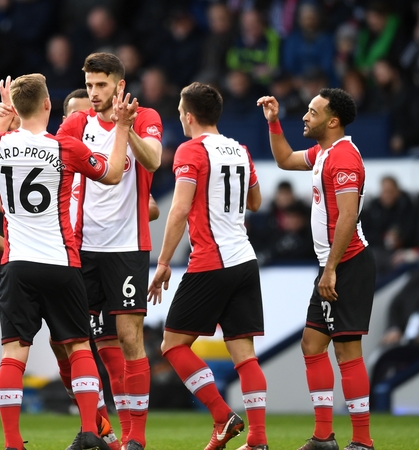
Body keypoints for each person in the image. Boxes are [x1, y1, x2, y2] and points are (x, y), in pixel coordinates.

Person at [0, 72, 135, 450]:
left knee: (14, 352)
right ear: (49, 104)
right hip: (61, 262)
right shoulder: (65, 146)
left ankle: (13, 443)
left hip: (17, 263)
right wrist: (122, 128)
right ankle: (90, 432)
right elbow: (113, 174)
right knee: (79, 346)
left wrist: (4, 115)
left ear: (15, 107)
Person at [148, 82, 268, 450]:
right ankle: (257, 440)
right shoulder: (240, 150)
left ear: (188, 116)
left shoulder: (191, 150)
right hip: (245, 259)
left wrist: (164, 261)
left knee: (173, 345)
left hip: (212, 260)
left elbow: (179, 209)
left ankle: (221, 414)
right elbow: (256, 202)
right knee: (244, 354)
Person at [55, 52, 163, 450]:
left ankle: (136, 438)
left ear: (120, 85)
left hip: (127, 247)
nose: (94, 93)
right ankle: (97, 430)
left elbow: (153, 160)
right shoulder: (76, 123)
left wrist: (125, 127)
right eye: (89, 85)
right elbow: (52, 157)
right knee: (69, 340)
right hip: (81, 247)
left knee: (129, 338)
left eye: (101, 85)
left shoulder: (146, 117)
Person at [258, 89, 376, 450]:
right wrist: (274, 122)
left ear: (333, 120)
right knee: (311, 344)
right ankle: (324, 436)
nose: (305, 116)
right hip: (333, 265)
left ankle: (363, 441)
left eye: (313, 111)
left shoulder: (344, 158)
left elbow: (348, 216)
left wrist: (331, 269)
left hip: (348, 264)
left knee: (347, 351)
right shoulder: (324, 153)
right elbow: (284, 159)